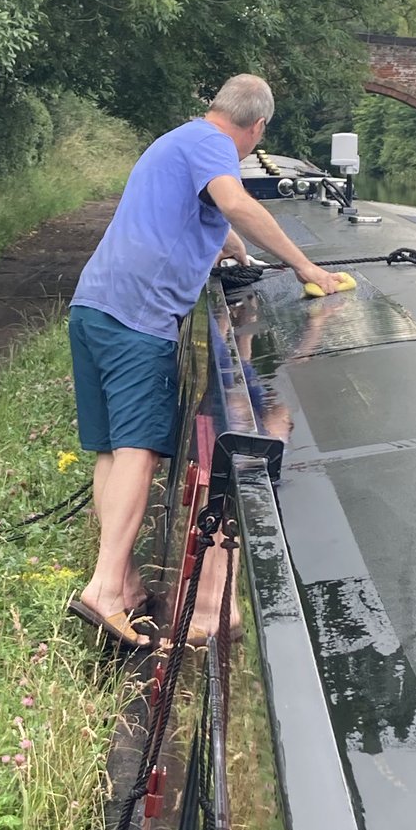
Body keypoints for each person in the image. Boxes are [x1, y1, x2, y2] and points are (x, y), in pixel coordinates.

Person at [67, 73, 340, 648]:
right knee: (140, 451)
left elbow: (181, 216)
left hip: (93, 308)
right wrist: (305, 267)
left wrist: (228, 245)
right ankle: (105, 589)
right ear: (256, 126)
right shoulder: (216, 145)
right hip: (137, 320)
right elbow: (235, 202)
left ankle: (127, 583)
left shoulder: (177, 140)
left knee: (112, 451)